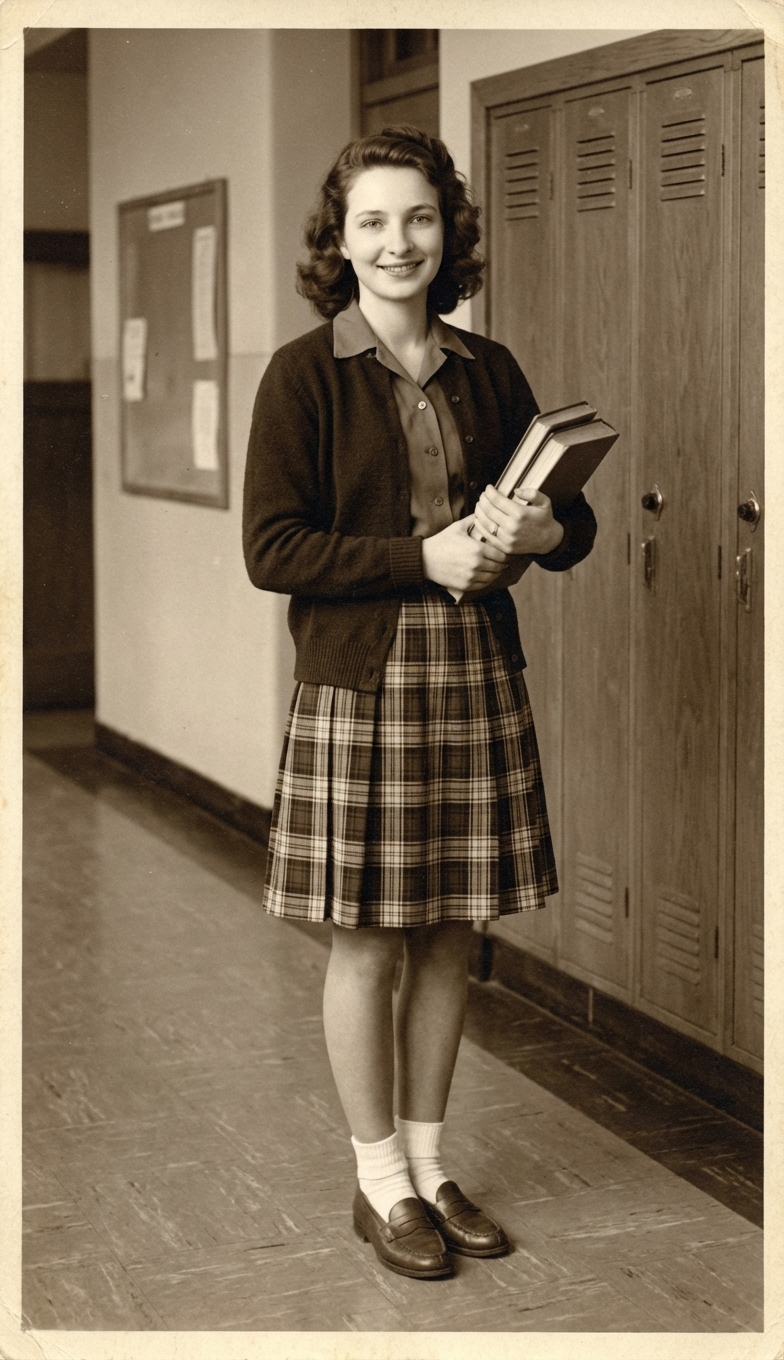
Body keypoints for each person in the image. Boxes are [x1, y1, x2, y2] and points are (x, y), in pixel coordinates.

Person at [243, 126, 596, 1281]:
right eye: (374, 222)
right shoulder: (303, 375)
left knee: (454, 932)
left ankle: (433, 1166)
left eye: (421, 219)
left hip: (473, 678)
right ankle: (377, 1179)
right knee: (367, 941)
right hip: (362, 685)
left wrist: (546, 530)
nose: (399, 243)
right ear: (338, 243)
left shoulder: (490, 371)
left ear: (449, 233)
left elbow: (565, 522)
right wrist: (420, 557)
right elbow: (273, 547)